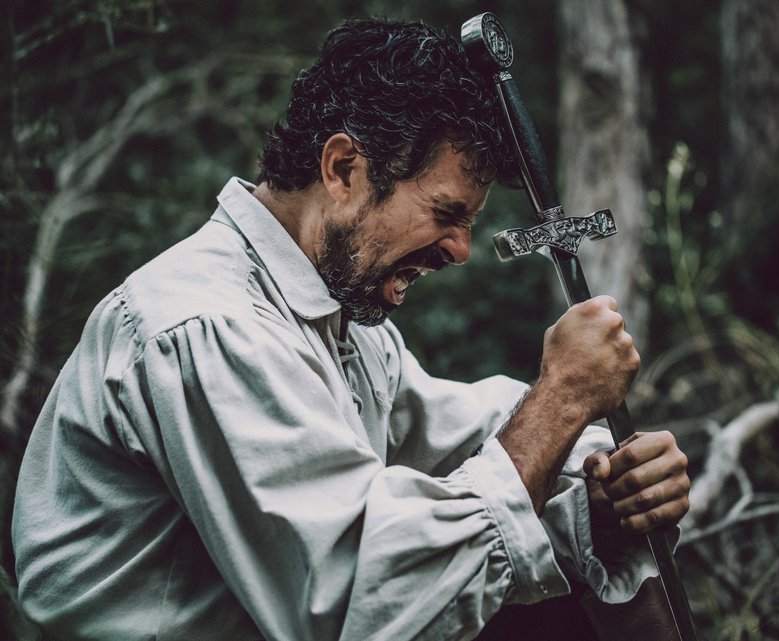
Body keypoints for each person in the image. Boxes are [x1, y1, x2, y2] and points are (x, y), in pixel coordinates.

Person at [12, 18, 690, 641]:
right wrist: (563, 396)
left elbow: (456, 430)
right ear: (342, 169)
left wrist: (599, 480)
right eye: (445, 212)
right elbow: (352, 601)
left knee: (566, 595)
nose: (459, 250)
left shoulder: (338, 318)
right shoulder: (208, 326)